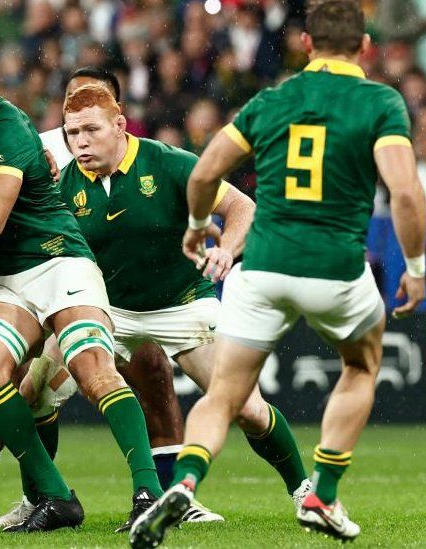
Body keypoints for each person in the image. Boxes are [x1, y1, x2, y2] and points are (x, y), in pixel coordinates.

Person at [131, 2, 426, 546]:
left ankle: (188, 479)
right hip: (336, 266)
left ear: (307, 46)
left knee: (224, 394)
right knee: (360, 367)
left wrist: (197, 226)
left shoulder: (271, 101)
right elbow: (405, 192)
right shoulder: (379, 101)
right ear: (364, 47)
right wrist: (416, 268)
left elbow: (204, 172)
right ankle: (324, 493)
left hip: (261, 266)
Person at [0, 41, 161, 533]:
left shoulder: (6, 126)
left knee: (92, 367)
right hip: (5, 277)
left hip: (58, 261)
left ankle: (149, 492)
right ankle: (54, 497)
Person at [0, 67, 208, 530]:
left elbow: (226, 204)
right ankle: (25, 494)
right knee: (17, 386)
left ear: (118, 117)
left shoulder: (153, 159)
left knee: (126, 374)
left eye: (91, 117)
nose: (79, 131)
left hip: (119, 295)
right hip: (40, 286)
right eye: (72, 114)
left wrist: (214, 241)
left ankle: (160, 492)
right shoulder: (42, 144)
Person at [57, 83, 309, 530]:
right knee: (37, 386)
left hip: (182, 303)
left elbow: (242, 208)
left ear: (119, 125)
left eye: (90, 130)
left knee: (246, 408)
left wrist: (228, 250)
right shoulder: (65, 184)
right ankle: (44, 496)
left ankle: (303, 492)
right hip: (107, 311)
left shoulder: (169, 163)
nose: (80, 142)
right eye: (71, 132)